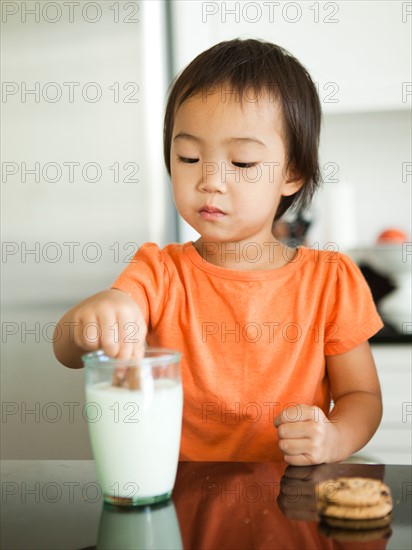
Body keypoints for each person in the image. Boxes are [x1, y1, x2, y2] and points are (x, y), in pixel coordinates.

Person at [54, 39, 383, 465]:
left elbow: (362, 395)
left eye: (242, 163)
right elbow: (67, 352)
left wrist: (335, 438)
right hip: (179, 501)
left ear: (293, 173)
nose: (210, 179)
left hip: (292, 503)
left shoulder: (329, 280)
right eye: (189, 157)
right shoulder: (157, 272)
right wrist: (90, 318)